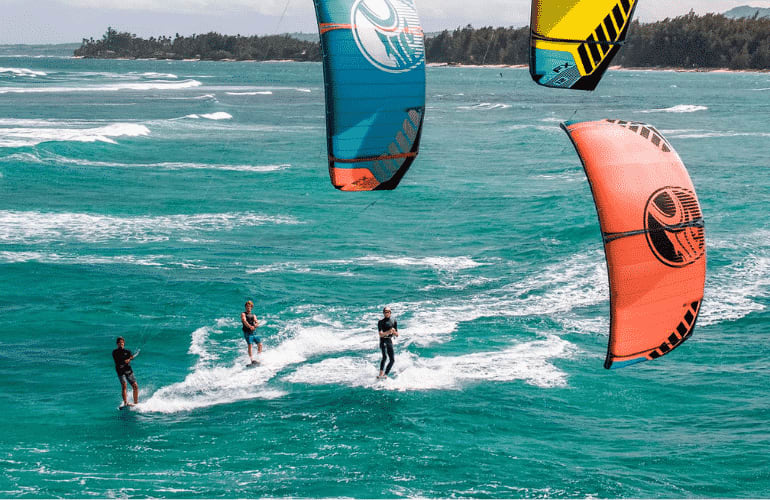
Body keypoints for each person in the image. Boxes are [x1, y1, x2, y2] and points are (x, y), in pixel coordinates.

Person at [112, 337, 139, 407]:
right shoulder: (115, 352)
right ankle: (125, 403)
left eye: (122, 343)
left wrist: (130, 359)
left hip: (128, 370)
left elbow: (131, 357)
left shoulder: (127, 351)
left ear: (124, 343)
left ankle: (136, 403)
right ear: (117, 344)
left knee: (135, 386)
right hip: (120, 370)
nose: (121, 344)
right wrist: (125, 361)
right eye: (119, 343)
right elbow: (117, 361)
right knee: (124, 385)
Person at [377, 306, 399, 379]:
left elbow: (397, 334)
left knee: (392, 360)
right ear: (383, 313)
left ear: (390, 312)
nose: (386, 313)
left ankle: (385, 374)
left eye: (388, 312)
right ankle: (380, 374)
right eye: (385, 312)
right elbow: (380, 334)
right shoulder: (380, 322)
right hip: (383, 340)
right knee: (384, 357)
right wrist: (388, 332)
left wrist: (394, 332)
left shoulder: (394, 321)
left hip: (389, 340)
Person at [241, 300, 262, 365]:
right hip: (247, 333)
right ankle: (252, 360)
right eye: (247, 306)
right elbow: (244, 321)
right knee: (250, 345)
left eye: (249, 306)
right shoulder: (243, 314)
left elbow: (256, 322)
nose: (248, 308)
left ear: (251, 307)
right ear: (245, 307)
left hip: (254, 332)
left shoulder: (253, 315)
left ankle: (258, 359)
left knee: (260, 345)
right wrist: (250, 326)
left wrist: (256, 325)